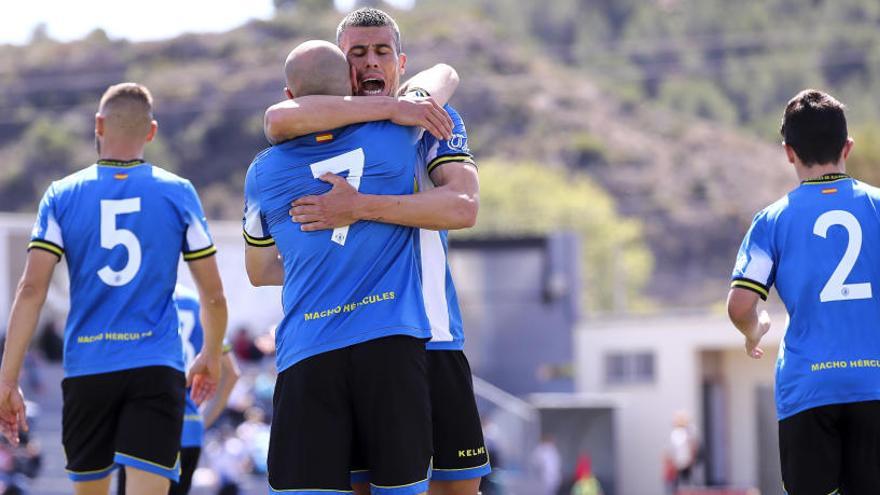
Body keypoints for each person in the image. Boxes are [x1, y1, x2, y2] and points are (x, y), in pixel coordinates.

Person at [263, 8, 488, 495]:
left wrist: (361, 207)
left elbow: (463, 207)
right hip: (357, 345)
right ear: (339, 67)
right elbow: (277, 119)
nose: (370, 63)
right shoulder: (313, 132)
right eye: (357, 53)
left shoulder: (427, 120)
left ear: (400, 63)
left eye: (381, 52)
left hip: (435, 336)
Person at [0, 82, 227, 495]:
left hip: (89, 367)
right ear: (152, 132)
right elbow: (212, 293)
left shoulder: (62, 194)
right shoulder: (178, 192)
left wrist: (7, 378)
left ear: (98, 124)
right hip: (155, 366)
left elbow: (31, 290)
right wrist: (211, 354)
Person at [243, 40, 433, 495]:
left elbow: (259, 269)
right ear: (351, 84)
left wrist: (318, 267)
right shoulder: (397, 138)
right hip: (391, 343)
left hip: (308, 351)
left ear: (291, 96)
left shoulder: (262, 172)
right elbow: (442, 78)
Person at [727, 89, 880, 494]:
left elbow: (741, 305)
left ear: (789, 152)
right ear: (847, 147)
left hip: (808, 389)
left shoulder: (772, 221)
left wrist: (754, 327)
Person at [117, 284, 240, 495]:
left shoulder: (137, 298)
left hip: (142, 428)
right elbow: (232, 373)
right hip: (187, 430)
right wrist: (201, 421)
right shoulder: (196, 303)